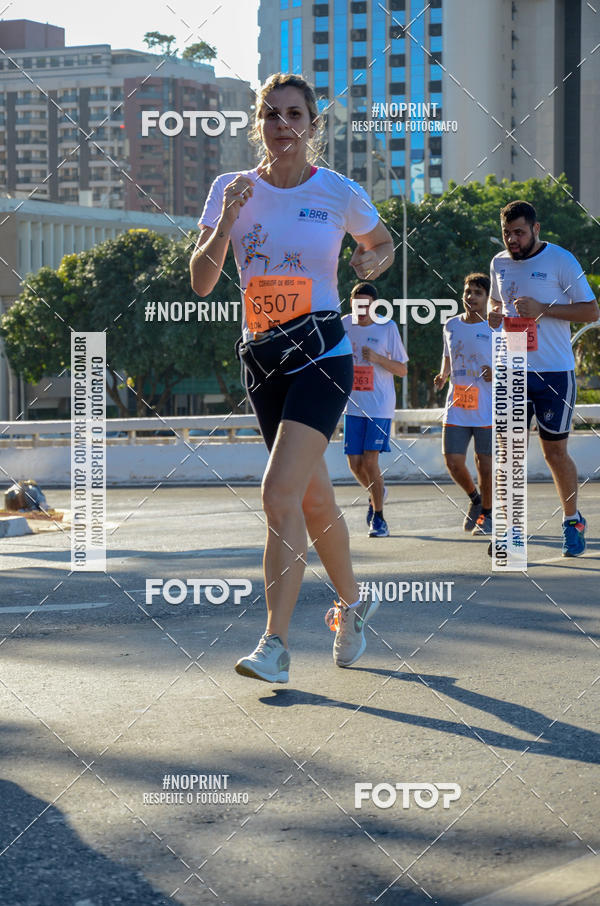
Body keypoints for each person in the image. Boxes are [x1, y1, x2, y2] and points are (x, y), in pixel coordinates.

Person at [190, 73, 394, 682]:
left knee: (278, 493)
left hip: (322, 353)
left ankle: (275, 645)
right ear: (258, 123)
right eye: (271, 114)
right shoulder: (232, 189)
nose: (283, 124)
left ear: (312, 125)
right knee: (312, 495)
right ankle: (354, 604)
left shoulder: (338, 191)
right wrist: (224, 225)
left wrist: (372, 259)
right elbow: (201, 281)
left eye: (294, 114)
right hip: (262, 359)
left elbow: (382, 244)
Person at [488, 200, 598, 556]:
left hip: (554, 373)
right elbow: (494, 303)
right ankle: (510, 532)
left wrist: (544, 310)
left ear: (536, 229)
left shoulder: (561, 260)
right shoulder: (499, 263)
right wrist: (492, 314)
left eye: (519, 232)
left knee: (554, 453)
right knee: (508, 454)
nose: (512, 239)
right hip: (512, 369)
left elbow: (591, 310)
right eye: (507, 233)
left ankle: (572, 521)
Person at [342, 282, 408, 537]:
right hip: (353, 405)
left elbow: (402, 370)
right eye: (356, 304)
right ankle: (378, 491)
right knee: (355, 464)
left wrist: (378, 359)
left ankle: (379, 518)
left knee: (370, 461)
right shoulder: (343, 325)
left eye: (366, 305)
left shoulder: (387, 327)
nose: (361, 309)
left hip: (379, 405)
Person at [434, 274, 494, 535]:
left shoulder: (497, 327)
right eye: (468, 291)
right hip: (457, 403)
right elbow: (447, 355)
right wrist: (443, 374)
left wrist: (497, 372)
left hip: (487, 406)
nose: (471, 297)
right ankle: (475, 499)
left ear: (487, 298)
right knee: (453, 461)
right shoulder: (451, 325)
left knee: (486, 464)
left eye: (478, 292)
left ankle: (489, 515)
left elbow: (516, 362)